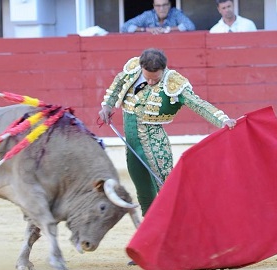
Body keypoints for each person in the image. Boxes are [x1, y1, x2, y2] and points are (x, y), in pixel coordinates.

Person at [98, 48, 236, 217]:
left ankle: (181, 226)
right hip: (131, 144)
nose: (149, 82)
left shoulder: (173, 82)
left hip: (155, 144)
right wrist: (107, 105)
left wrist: (222, 119)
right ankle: (150, 233)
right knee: (142, 191)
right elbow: (118, 83)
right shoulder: (133, 68)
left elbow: (198, 104)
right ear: (141, 67)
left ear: (163, 70)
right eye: (147, 77)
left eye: (154, 79)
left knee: (166, 189)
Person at [120, 0, 195, 34]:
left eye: (164, 5)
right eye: (158, 6)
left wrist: (168, 29)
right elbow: (125, 27)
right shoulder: (148, 15)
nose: (161, 9)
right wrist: (146, 29)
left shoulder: (175, 13)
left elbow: (190, 26)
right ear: (154, 6)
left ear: (169, 5)